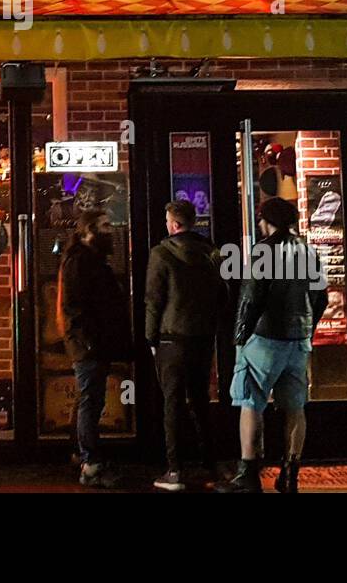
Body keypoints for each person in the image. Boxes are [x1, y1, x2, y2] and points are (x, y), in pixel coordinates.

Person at [217, 197, 329, 494]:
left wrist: (239, 338)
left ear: (267, 221)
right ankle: (290, 475)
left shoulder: (263, 251)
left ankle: (248, 473)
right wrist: (307, 329)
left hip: (265, 339)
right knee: (295, 407)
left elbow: (251, 299)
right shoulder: (308, 251)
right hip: (299, 340)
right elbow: (321, 298)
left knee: (250, 402)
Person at [145, 199, 227, 491]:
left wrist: (150, 337)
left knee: (172, 402)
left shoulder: (161, 253)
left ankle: (174, 470)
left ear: (175, 224)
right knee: (201, 401)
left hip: (171, 337)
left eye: (168, 221)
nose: (167, 225)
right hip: (202, 338)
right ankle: (210, 463)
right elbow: (223, 294)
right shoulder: (212, 253)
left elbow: (154, 300)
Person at [57, 208, 130, 488]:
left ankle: (81, 453)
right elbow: (76, 307)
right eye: (104, 226)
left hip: (93, 341)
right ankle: (91, 463)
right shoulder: (81, 262)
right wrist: (89, 341)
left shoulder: (89, 260)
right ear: (88, 231)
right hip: (89, 343)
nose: (111, 230)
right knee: (91, 400)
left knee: (88, 399)